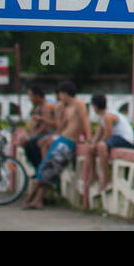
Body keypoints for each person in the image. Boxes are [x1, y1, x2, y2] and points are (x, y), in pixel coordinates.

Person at [22, 81, 89, 209]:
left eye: (60, 94)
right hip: (62, 139)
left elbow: (85, 121)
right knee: (47, 171)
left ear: (64, 93)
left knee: (46, 170)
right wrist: (60, 111)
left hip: (67, 143)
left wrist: (89, 139)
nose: (59, 97)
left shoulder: (79, 104)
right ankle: (37, 200)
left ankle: (29, 199)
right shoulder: (65, 107)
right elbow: (60, 127)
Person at [89, 93, 134, 193]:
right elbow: (98, 133)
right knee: (90, 148)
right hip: (116, 138)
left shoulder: (108, 116)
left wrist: (98, 144)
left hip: (125, 139)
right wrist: (92, 144)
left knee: (101, 147)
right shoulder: (101, 117)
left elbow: (108, 135)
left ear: (95, 106)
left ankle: (106, 178)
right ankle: (94, 175)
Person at [21, 83, 60, 171]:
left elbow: (46, 126)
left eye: (30, 96)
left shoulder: (47, 106)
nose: (29, 99)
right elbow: (35, 125)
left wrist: (32, 135)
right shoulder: (39, 107)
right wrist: (30, 133)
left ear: (37, 96)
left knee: (32, 142)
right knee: (27, 141)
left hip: (52, 132)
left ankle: (40, 169)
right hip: (46, 132)